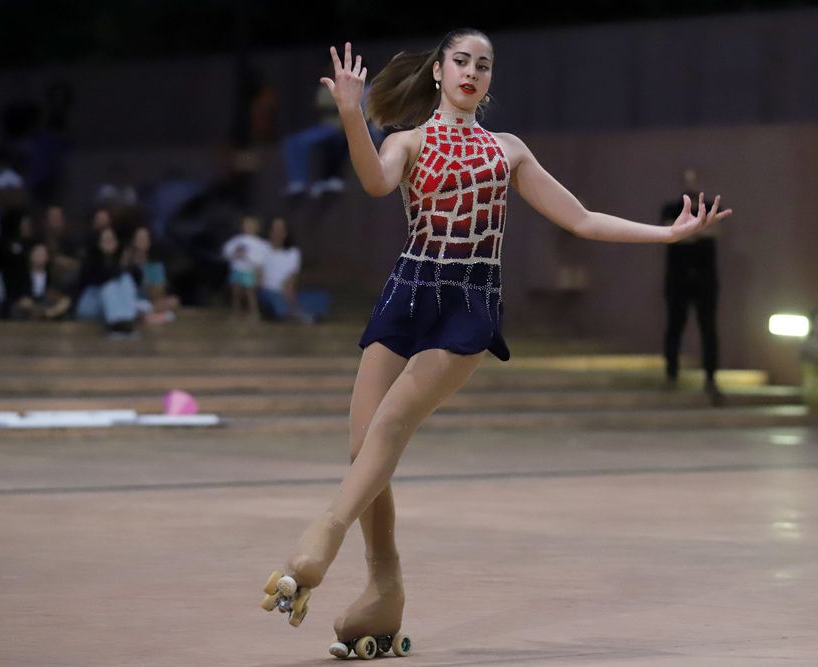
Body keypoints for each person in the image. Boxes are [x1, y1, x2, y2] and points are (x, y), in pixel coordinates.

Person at [258, 32, 733, 660]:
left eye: (484, 65)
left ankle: (323, 537)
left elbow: (581, 219)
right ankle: (384, 587)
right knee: (360, 443)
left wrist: (669, 235)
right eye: (462, 61)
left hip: (468, 301)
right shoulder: (409, 140)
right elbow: (374, 182)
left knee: (390, 427)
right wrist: (351, 114)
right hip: (406, 291)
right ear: (438, 71)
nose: (473, 72)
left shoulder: (507, 150)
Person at [660, 168, 724, 405]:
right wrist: (694, 232)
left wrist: (692, 232)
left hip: (705, 280)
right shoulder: (671, 208)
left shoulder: (709, 206)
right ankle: (671, 374)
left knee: (708, 328)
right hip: (678, 279)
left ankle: (711, 377)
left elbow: (714, 231)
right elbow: (671, 232)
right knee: (674, 326)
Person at [256, 215, 330, 323]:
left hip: (285, 292)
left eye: (280, 230)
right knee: (275, 301)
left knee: (321, 297)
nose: (277, 233)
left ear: (286, 233)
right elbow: (258, 276)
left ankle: (295, 313)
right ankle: (292, 314)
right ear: (269, 231)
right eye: (274, 229)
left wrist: (289, 295)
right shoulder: (261, 248)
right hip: (266, 291)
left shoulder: (293, 253)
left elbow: (291, 279)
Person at [221, 214, 269, 319]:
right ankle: (236, 311)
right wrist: (235, 254)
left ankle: (254, 312)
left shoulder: (259, 243)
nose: (248, 227)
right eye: (246, 225)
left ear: (257, 228)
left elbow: (260, 259)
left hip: (249, 271)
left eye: (251, 225)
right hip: (237, 270)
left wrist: (247, 257)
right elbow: (226, 252)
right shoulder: (236, 240)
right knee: (236, 293)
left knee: (250, 293)